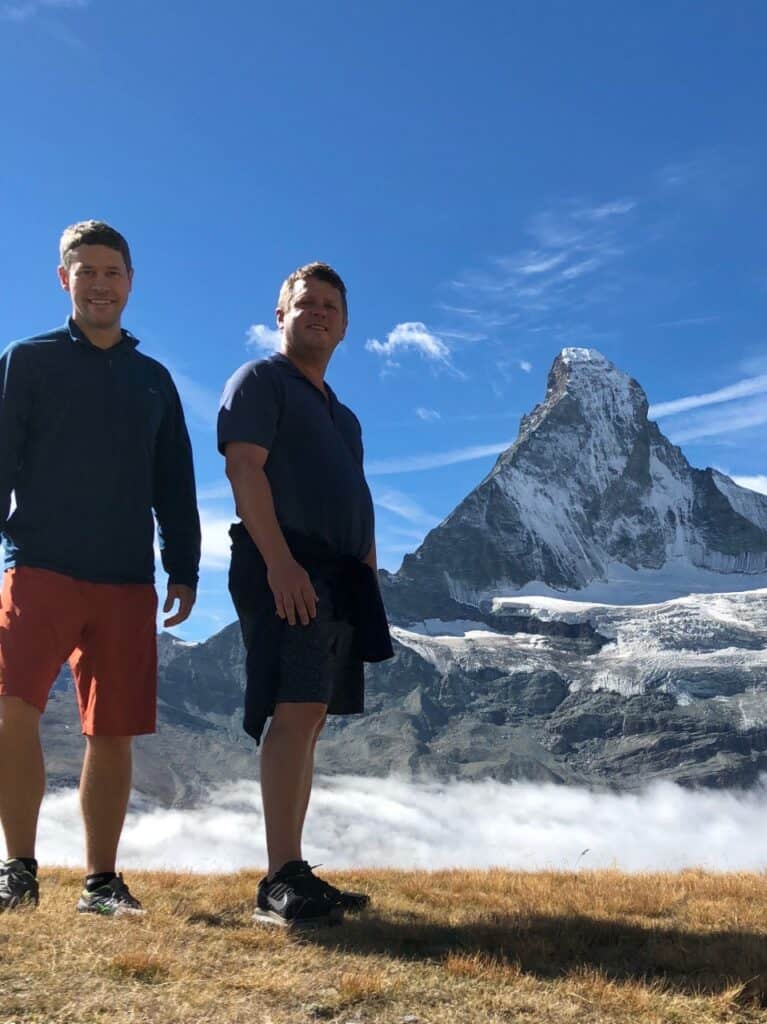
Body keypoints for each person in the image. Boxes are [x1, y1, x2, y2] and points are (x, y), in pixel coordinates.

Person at [0, 221, 201, 916]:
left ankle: (101, 883)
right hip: (39, 563)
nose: (99, 283)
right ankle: (17, 869)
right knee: (10, 708)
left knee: (111, 729)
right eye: (84, 271)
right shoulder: (25, 360)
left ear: (131, 281)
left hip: (124, 576)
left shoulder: (154, 380)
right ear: (64, 280)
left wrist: (183, 566)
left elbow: (175, 478)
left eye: (111, 271)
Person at [218, 262, 392, 928]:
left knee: (311, 714)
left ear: (344, 325)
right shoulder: (260, 381)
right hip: (285, 564)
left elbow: (354, 496)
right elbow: (244, 468)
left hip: (339, 576)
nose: (317, 312)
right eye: (305, 303)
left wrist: (366, 574)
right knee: (293, 709)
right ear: (279, 315)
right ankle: (279, 879)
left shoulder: (341, 416)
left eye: (329, 305)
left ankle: (292, 870)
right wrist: (281, 564)